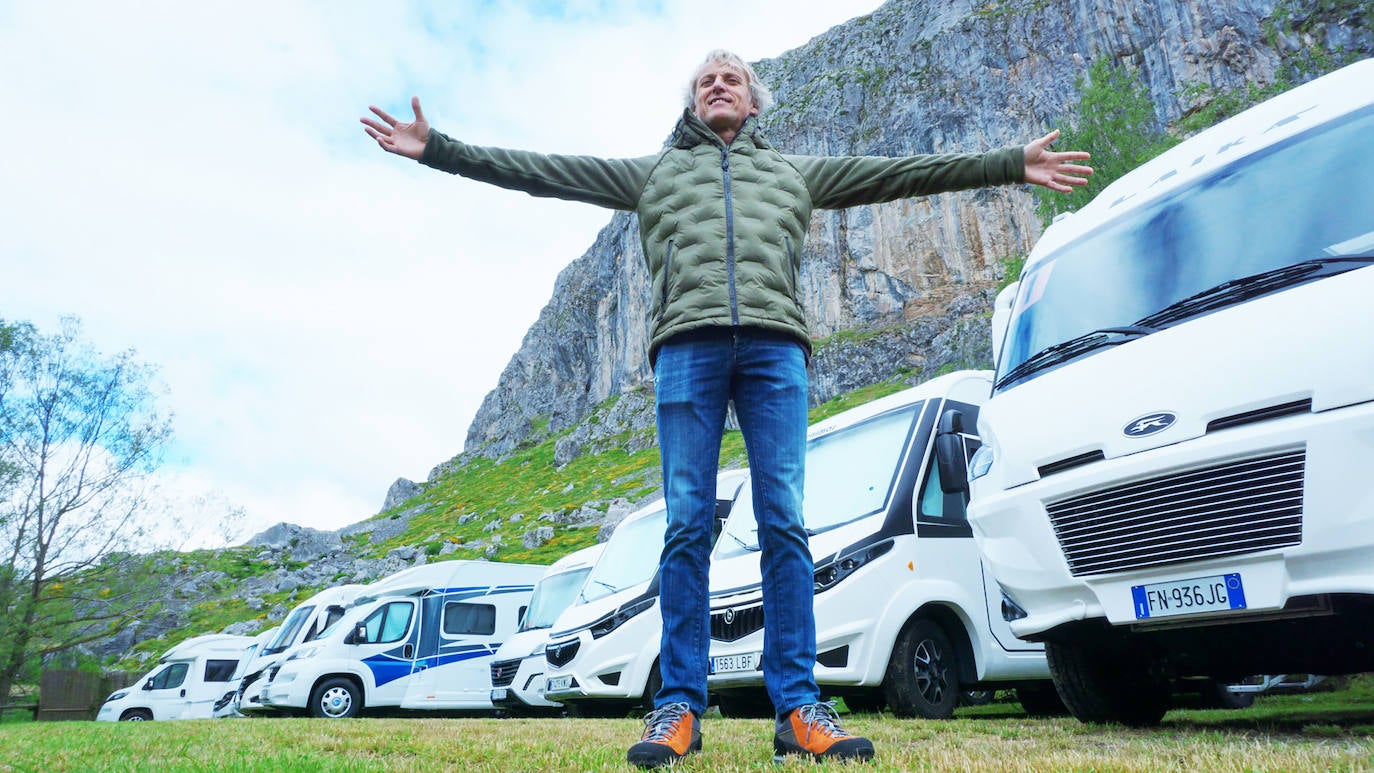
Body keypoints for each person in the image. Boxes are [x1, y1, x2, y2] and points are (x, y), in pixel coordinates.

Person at [362, 49, 1090, 768]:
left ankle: (799, 708)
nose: (718, 86)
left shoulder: (791, 173)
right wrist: (439, 151)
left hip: (776, 349)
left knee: (784, 523)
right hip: (687, 347)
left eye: (731, 79)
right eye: (706, 80)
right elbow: (545, 172)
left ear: (752, 99)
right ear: (693, 101)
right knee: (686, 524)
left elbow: (898, 173)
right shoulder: (656, 174)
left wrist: (1009, 163)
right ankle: (679, 705)